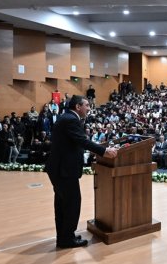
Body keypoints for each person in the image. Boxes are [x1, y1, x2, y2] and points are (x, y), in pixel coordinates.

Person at [46, 95, 117, 249]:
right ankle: (66, 239)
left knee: (62, 204)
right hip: (64, 170)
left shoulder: (66, 117)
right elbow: (82, 141)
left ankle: (65, 236)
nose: (89, 108)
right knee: (71, 204)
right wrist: (104, 151)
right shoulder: (71, 119)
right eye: (87, 105)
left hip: (60, 168)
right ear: (78, 107)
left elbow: (76, 142)